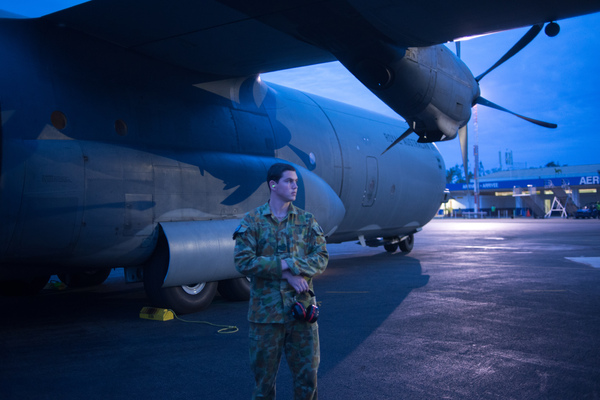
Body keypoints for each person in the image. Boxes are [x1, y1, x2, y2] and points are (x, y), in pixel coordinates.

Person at [233, 163, 328, 400]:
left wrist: (290, 267)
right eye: (289, 181)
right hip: (266, 318)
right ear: (273, 185)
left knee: (308, 381)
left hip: (302, 315)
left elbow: (321, 258)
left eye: (296, 181)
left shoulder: (306, 221)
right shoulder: (253, 221)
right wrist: (286, 270)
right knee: (263, 386)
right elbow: (243, 261)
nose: (295, 186)